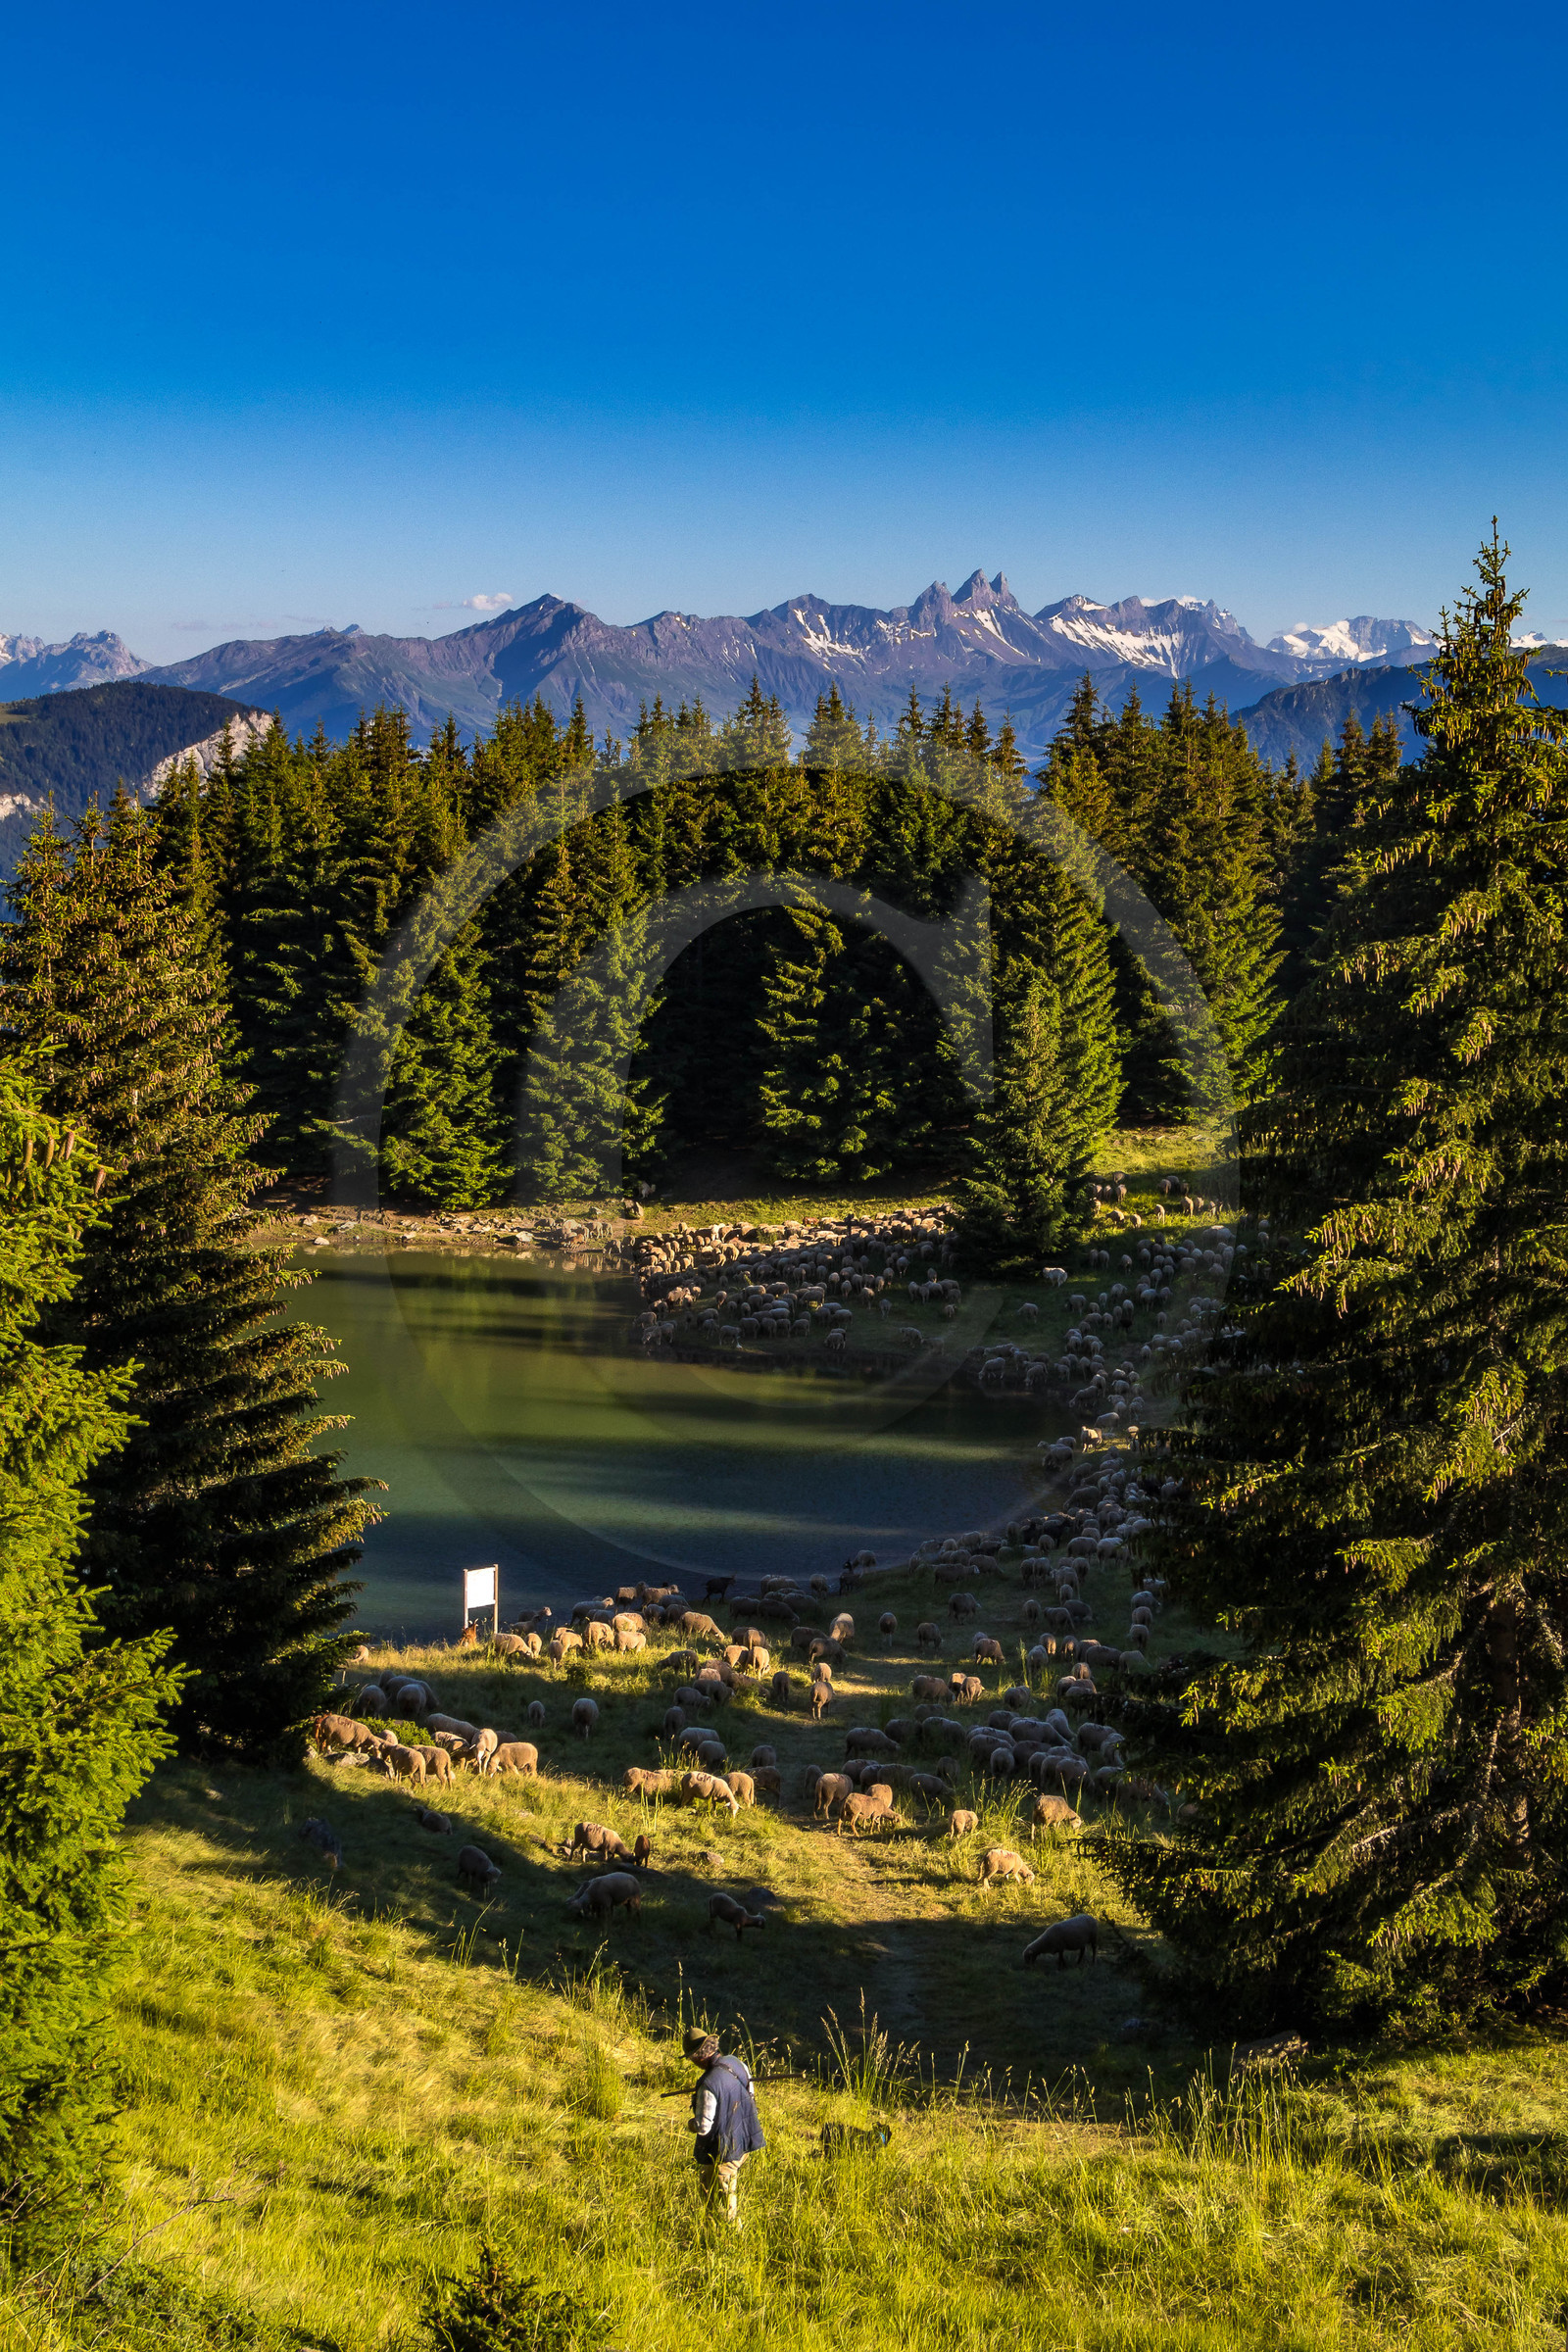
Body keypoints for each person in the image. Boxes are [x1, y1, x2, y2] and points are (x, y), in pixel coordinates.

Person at [683, 2029, 764, 2226]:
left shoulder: (708, 2084)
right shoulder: (737, 2063)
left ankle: (729, 2235)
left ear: (697, 2057)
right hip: (745, 2137)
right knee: (723, 2185)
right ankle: (715, 2228)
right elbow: (750, 2095)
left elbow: (703, 2127)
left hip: (724, 2148)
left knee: (719, 2192)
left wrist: (691, 2124)